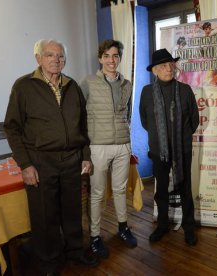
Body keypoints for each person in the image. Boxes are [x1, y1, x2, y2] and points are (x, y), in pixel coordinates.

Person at [4, 39, 98, 275]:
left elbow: (82, 125)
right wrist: (25, 164)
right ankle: (48, 262)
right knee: (45, 215)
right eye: (50, 55)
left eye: (60, 56)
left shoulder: (72, 86)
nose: (56, 60)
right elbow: (12, 128)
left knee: (72, 210)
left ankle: (75, 251)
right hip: (40, 161)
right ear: (38, 58)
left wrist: (85, 155)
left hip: (71, 160)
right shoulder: (24, 86)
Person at [80, 39, 136, 259]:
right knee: (97, 193)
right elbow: (79, 115)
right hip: (98, 146)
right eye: (107, 56)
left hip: (122, 144)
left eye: (115, 56)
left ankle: (123, 227)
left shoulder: (127, 84)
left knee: (121, 190)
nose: (111, 60)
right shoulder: (88, 82)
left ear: (120, 58)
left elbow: (127, 113)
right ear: (100, 58)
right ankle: (95, 237)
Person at [139, 48, 199, 245]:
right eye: (164, 66)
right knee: (161, 189)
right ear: (155, 70)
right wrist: (160, 139)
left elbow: (194, 120)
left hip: (182, 149)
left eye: (171, 64)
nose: (169, 69)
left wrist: (179, 137)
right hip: (159, 150)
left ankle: (188, 227)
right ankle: (162, 225)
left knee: (185, 188)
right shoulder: (147, 92)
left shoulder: (185, 90)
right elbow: (145, 120)